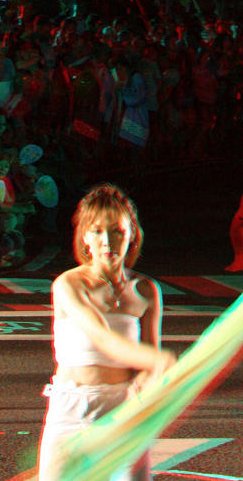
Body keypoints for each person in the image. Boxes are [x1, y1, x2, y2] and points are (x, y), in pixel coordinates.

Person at [37, 183, 176, 481]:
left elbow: (148, 358)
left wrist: (147, 381)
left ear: (132, 235)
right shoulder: (69, 284)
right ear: (84, 237)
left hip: (122, 409)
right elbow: (102, 338)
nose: (107, 241)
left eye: (117, 231)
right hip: (71, 407)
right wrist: (159, 360)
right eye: (97, 231)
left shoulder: (146, 290)